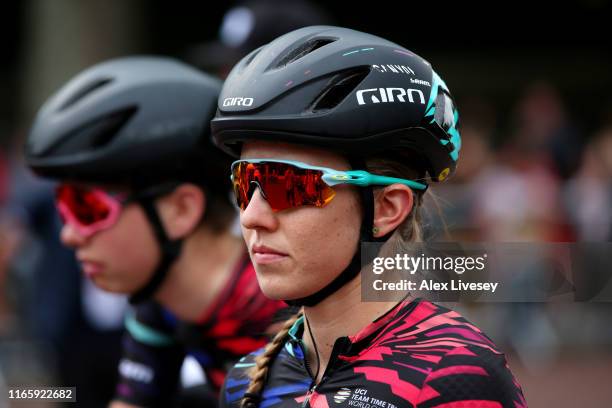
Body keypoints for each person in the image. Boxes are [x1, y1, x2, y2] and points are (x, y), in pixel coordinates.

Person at [211, 26, 527, 407]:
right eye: (246, 182)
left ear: (388, 207)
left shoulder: (455, 376)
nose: (251, 216)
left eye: (287, 185)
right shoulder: (246, 381)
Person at [24, 56, 285, 407]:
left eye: (87, 208)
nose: (68, 235)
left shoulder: (285, 311)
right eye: (64, 207)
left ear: (182, 210)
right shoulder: (161, 302)